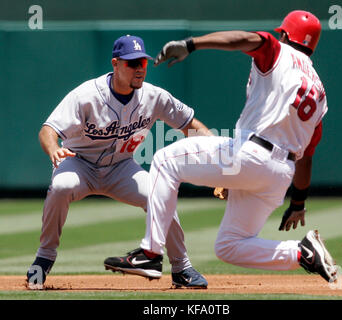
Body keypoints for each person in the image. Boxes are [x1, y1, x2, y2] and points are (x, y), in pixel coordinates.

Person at [104, 11, 341, 284]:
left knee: (165, 160)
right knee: (229, 245)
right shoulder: (319, 91)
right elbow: (307, 156)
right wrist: (298, 202)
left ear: (286, 35)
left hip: (252, 154)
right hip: (280, 174)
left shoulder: (278, 51)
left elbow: (243, 38)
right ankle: (302, 253)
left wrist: (192, 44)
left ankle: (150, 253)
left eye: (281, 33)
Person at [26, 35, 212, 290]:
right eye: (131, 63)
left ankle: (182, 268)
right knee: (61, 187)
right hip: (79, 163)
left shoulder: (154, 96)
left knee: (159, 195)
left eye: (142, 63)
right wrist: (54, 149)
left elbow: (191, 126)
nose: (138, 68)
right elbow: (48, 129)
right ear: (115, 63)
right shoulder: (86, 95)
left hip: (121, 167)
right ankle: (44, 258)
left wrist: (219, 158)